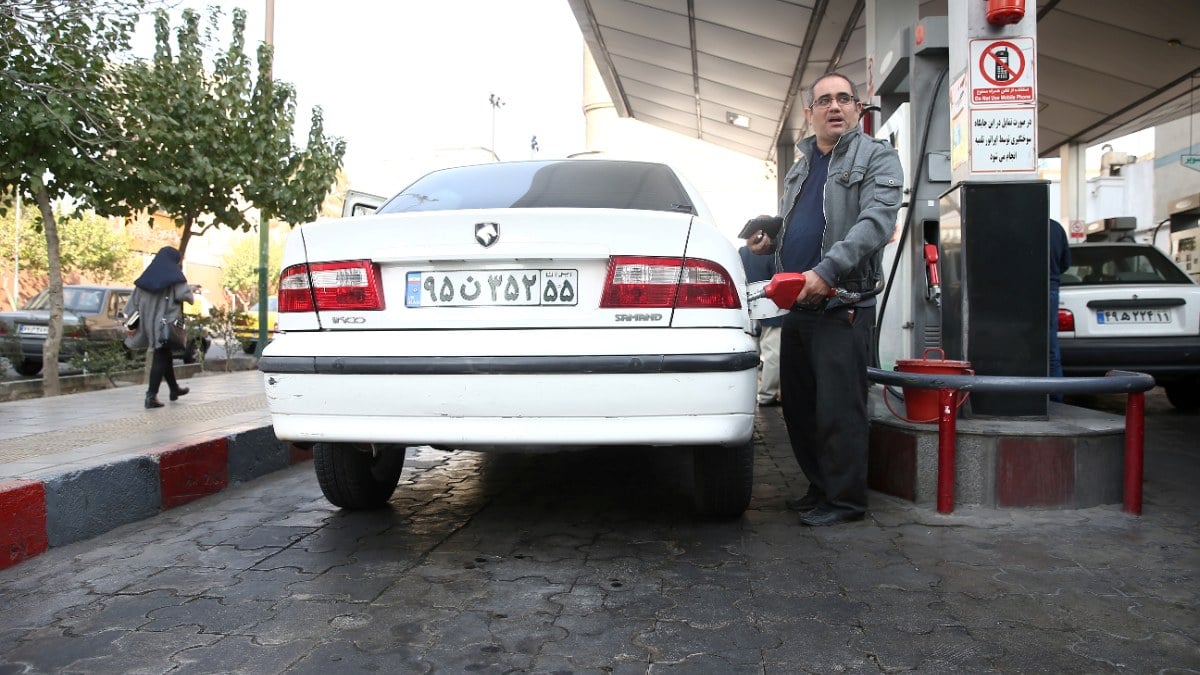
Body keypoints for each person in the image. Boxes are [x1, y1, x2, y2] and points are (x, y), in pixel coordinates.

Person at [746, 72, 903, 527]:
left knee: (838, 410)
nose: (835, 106)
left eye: (844, 99)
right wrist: (771, 240)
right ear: (809, 113)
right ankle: (821, 487)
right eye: (825, 100)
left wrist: (827, 270)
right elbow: (801, 225)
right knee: (800, 409)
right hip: (798, 303)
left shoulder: (877, 157)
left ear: (857, 108)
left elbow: (874, 223)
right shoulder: (801, 167)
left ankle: (846, 500)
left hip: (842, 301)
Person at [124, 246, 194, 409]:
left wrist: (130, 323)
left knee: (164, 353)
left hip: (148, 325)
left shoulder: (145, 278)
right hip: (165, 324)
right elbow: (185, 296)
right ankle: (151, 396)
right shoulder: (175, 277)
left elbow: (132, 305)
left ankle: (174, 389)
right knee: (160, 354)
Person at [739, 235, 783, 407]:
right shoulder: (773, 252)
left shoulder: (742, 252)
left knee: (752, 354)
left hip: (749, 306)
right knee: (773, 354)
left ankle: (749, 395)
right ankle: (766, 395)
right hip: (772, 308)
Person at [1048, 219, 1071, 401]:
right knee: (1051, 350)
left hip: (1024, 290)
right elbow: (1065, 263)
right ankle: (1056, 400)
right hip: (1051, 288)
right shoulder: (1056, 228)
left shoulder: (1020, 225)